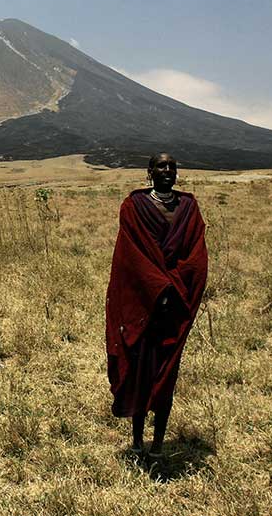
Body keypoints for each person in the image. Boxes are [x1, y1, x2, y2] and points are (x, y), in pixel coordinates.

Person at [105, 152, 208, 469]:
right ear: (149, 172)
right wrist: (156, 288)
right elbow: (131, 258)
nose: (167, 170)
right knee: (139, 372)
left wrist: (174, 289)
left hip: (174, 306)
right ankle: (137, 443)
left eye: (172, 166)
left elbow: (195, 256)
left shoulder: (189, 208)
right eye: (161, 166)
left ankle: (159, 444)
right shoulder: (133, 207)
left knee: (167, 374)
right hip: (143, 306)